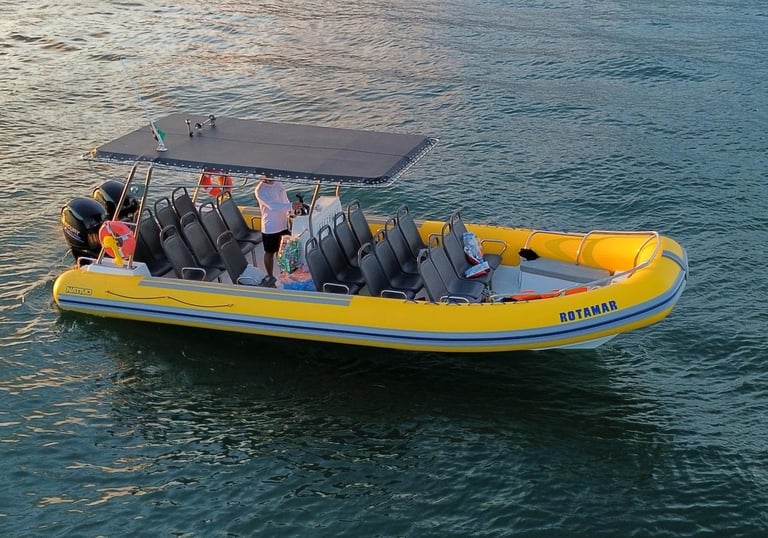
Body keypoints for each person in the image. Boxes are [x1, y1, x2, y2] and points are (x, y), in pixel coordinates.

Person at [254, 173, 304, 286]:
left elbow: (285, 200)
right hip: (270, 227)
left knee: (283, 251)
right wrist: (291, 206)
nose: (271, 176)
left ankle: (284, 274)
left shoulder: (278, 183)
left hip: (283, 223)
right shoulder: (260, 190)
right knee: (269, 252)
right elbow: (272, 206)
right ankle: (270, 276)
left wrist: (291, 211)